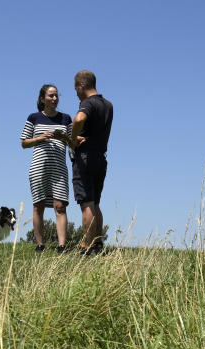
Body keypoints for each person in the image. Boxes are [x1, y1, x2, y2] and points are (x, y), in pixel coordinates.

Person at [63, 69, 113, 256]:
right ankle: (98, 244)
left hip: (85, 158)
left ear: (81, 85)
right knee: (96, 203)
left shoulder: (88, 103)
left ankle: (87, 246)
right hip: (101, 158)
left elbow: (79, 118)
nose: (76, 93)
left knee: (87, 203)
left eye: (76, 89)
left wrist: (73, 138)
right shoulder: (108, 105)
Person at [20, 84, 72, 253]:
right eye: (51, 96)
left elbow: (74, 145)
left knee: (60, 205)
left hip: (59, 168)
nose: (54, 99)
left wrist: (65, 137)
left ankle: (62, 246)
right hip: (38, 167)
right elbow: (24, 143)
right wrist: (41, 137)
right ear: (42, 99)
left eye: (56, 95)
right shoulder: (34, 117)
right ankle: (40, 245)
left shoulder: (66, 119)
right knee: (39, 205)